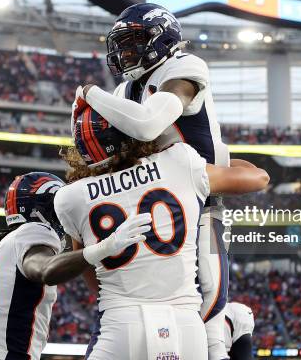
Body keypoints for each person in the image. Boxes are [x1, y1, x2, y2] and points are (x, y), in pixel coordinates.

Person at [75, 2, 232, 360]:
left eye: (134, 41)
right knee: (119, 305)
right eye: (121, 43)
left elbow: (147, 124)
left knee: (209, 306)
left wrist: (89, 93)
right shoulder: (124, 92)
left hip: (196, 203)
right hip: (143, 205)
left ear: (163, 38)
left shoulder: (184, 67)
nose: (125, 52)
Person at [55, 105, 269, 359]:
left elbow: (92, 278)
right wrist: (214, 161)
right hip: (185, 325)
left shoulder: (70, 198)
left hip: (121, 324)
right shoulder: (179, 161)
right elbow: (258, 178)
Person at [0, 172, 151, 360]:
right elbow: (45, 269)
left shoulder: (0, 252)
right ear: (45, 209)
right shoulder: (34, 230)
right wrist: (105, 247)